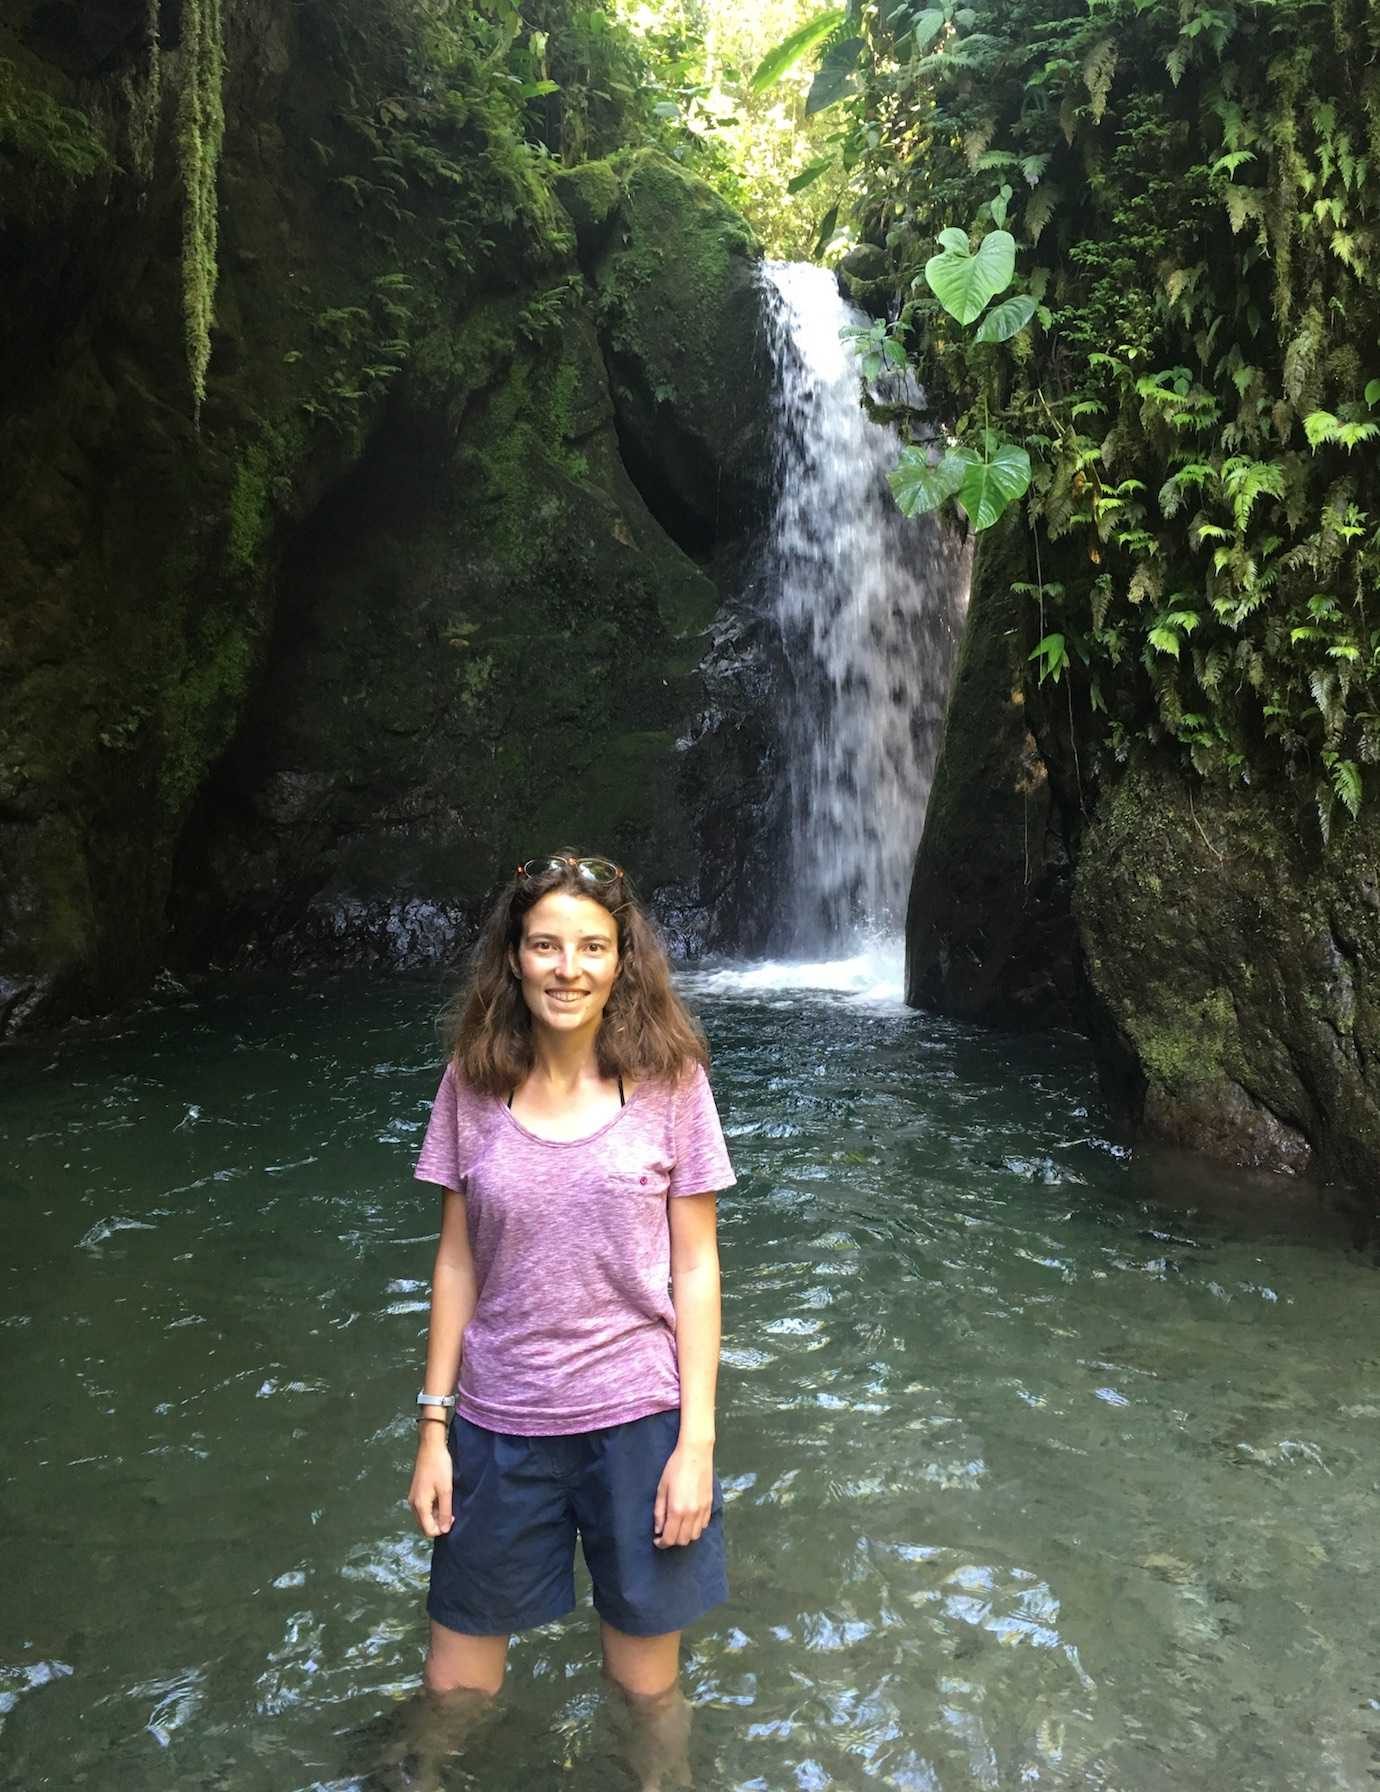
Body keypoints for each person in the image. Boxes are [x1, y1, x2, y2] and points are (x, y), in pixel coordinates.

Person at [406, 851, 736, 1789]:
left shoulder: (673, 1083)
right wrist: (434, 1427)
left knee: (646, 1697)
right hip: (499, 1422)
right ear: (512, 957)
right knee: (453, 1693)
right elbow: (457, 1259)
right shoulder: (471, 1083)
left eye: (592, 946)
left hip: (639, 1424)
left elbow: (697, 1265)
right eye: (545, 944)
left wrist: (697, 1444)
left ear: (623, 960)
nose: (568, 967)